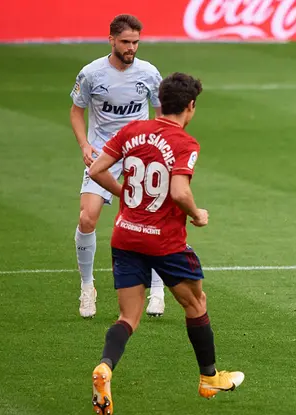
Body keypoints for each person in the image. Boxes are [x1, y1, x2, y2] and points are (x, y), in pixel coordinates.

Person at [86, 72, 244, 415]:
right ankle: (208, 378)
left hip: (125, 234)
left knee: (129, 315)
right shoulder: (185, 143)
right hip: (165, 242)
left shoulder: (132, 131)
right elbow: (178, 191)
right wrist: (196, 214)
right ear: (190, 106)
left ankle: (106, 367)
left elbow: (97, 170)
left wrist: (127, 196)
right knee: (196, 303)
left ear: (160, 102)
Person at [70, 14, 167, 318]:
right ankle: (87, 287)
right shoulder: (91, 74)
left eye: (136, 42)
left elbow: (161, 114)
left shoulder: (149, 73)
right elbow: (76, 112)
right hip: (104, 154)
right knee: (87, 218)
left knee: (153, 220)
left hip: (140, 152)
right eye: (125, 42)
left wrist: (160, 150)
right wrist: (85, 145)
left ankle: (157, 289)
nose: (131, 48)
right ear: (111, 39)